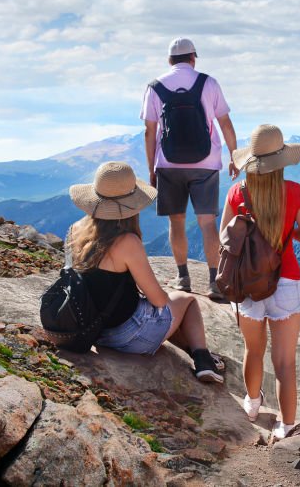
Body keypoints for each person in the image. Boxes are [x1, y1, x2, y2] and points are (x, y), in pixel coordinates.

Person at [68, 161, 224, 383]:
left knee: (168, 311)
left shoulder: (76, 231)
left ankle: (200, 355)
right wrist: (166, 292)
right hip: (127, 336)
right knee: (186, 300)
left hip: (93, 330)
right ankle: (203, 360)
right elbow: (159, 301)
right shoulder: (127, 241)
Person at [220, 125, 300, 440]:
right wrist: (288, 234)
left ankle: (252, 404)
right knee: (285, 361)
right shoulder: (296, 192)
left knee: (253, 349)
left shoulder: (237, 193)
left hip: (248, 282)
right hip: (286, 280)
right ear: (282, 161)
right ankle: (287, 426)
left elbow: (225, 238)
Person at [141, 37, 240, 299]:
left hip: (169, 165)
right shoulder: (209, 83)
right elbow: (225, 123)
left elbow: (149, 132)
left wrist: (152, 168)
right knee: (208, 223)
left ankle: (182, 277)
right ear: (193, 58)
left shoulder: (154, 86)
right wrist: (234, 155)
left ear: (169, 60)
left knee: (177, 221)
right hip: (205, 164)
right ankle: (213, 282)